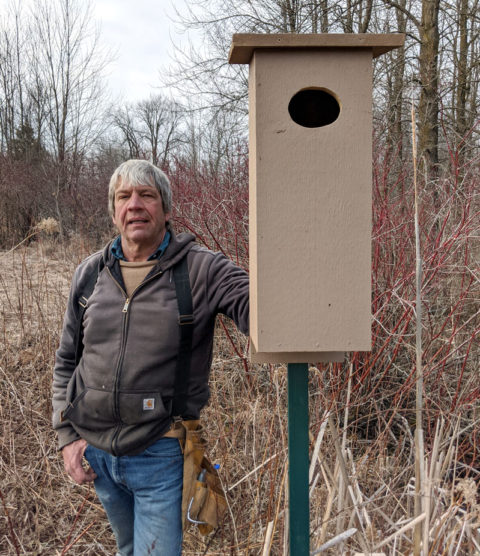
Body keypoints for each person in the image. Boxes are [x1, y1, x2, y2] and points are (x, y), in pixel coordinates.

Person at [52, 159, 249, 556]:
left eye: (147, 195)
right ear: (113, 211)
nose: (135, 204)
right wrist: (67, 436)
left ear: (166, 208)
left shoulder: (199, 270)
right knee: (128, 550)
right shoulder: (90, 273)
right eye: (124, 196)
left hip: (160, 452)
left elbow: (253, 303)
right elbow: (66, 361)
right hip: (99, 455)